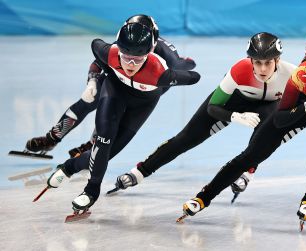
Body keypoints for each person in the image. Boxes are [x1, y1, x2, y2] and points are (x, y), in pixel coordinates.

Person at [179, 32, 306, 229]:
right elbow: (279, 118)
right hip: (302, 105)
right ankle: (203, 197)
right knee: (252, 154)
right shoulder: (300, 77)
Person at [108, 32, 299, 202]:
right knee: (185, 138)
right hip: (233, 103)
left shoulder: (292, 74)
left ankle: (248, 171)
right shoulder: (239, 71)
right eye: (257, 62)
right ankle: (140, 172)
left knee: (270, 121)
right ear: (250, 60)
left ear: (278, 60)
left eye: (268, 62)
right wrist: (234, 116)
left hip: (269, 106)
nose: (263, 69)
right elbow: (212, 107)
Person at [41, 22, 200, 214]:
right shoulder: (108, 52)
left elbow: (193, 75)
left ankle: (69, 167)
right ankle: (91, 191)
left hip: (142, 105)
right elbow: (95, 45)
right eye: (126, 57)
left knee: (109, 153)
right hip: (114, 92)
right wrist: (92, 80)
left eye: (138, 59)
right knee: (103, 139)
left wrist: (177, 71)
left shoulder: (160, 73)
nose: (131, 64)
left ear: (150, 51)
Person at [22, 14, 196, 159]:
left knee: (116, 117)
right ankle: (52, 138)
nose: (131, 50)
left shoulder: (166, 54)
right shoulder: (126, 39)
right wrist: (92, 81)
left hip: (144, 89)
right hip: (117, 80)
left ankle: (91, 145)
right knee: (88, 101)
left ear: (153, 43)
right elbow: (100, 59)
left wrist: (184, 64)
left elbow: (183, 66)